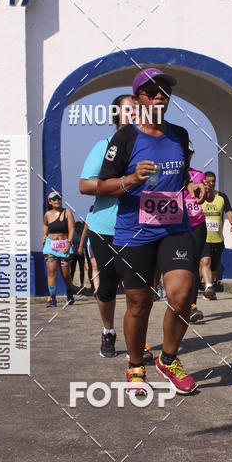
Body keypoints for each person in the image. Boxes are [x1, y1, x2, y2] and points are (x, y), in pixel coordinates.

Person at [96, 67, 205, 393]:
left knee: (183, 294)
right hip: (135, 232)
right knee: (139, 303)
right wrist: (130, 181)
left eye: (165, 92)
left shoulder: (180, 135)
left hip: (175, 228)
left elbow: (180, 177)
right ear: (139, 98)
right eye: (152, 91)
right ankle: (134, 363)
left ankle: (168, 358)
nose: (160, 96)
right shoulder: (125, 138)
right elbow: (102, 185)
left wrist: (194, 189)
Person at [79, 93, 152, 361]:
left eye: (139, 108)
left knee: (140, 290)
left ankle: (138, 338)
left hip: (140, 227)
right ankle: (108, 331)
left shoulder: (151, 147)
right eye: (130, 109)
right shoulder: (104, 146)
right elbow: (85, 185)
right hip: (106, 227)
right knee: (108, 287)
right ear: (117, 116)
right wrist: (122, 183)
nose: (136, 112)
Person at [200, 171, 232, 299]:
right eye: (208, 181)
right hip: (203, 237)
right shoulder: (198, 196)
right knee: (205, 261)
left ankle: (210, 287)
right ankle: (207, 286)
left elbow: (229, 211)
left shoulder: (222, 197)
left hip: (217, 239)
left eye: (213, 181)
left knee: (214, 266)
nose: (211, 183)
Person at [184, 145, 208, 323]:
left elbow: (208, 197)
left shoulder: (199, 174)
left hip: (197, 224)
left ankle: (192, 306)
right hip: (177, 224)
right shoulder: (171, 174)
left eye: (190, 152)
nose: (187, 155)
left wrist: (207, 191)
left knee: (193, 265)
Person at [42, 191, 75, 306]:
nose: (57, 200)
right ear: (50, 201)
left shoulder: (67, 212)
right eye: (54, 198)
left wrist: (69, 243)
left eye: (59, 198)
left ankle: (70, 293)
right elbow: (45, 224)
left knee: (65, 274)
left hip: (64, 245)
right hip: (50, 245)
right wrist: (44, 235)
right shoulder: (47, 214)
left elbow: (71, 229)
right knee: (52, 271)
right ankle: (52, 298)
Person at [70, 221, 85, 288]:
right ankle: (71, 283)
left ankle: (82, 284)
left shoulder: (82, 234)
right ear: (75, 227)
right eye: (77, 227)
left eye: (80, 227)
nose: (79, 228)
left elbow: (84, 244)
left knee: (82, 270)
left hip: (81, 254)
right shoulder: (73, 234)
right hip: (74, 254)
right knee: (72, 269)